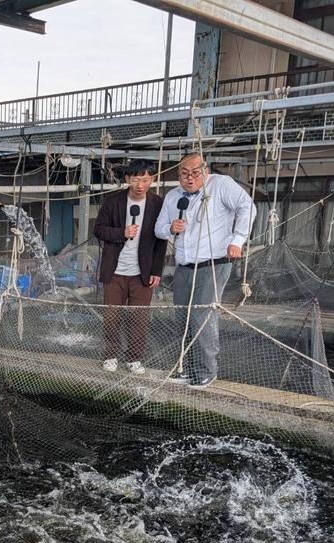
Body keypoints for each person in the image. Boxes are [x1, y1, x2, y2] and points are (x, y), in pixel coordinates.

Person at [154, 152, 256, 389]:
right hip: (184, 266)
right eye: (184, 174)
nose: (189, 178)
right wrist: (171, 227)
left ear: (206, 171)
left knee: (202, 317)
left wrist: (237, 240)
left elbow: (247, 207)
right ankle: (184, 368)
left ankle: (206, 371)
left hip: (213, 263)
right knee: (182, 318)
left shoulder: (220, 185)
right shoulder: (173, 196)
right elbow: (158, 228)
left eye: (195, 173)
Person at [93, 159, 168, 375]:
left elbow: (161, 240)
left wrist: (156, 271)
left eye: (145, 180)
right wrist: (122, 233)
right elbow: (98, 230)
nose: (140, 185)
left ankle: (134, 358)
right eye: (135, 180)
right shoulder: (113, 201)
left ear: (152, 180)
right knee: (111, 317)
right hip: (114, 271)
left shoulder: (158, 204)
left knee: (139, 318)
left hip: (142, 273)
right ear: (127, 179)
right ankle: (110, 356)